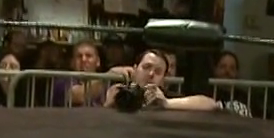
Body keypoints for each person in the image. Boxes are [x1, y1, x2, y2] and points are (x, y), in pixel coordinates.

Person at [104, 50, 247, 114]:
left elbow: (209, 103)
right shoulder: (120, 92)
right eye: (146, 67)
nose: (151, 74)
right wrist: (109, 104)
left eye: (158, 71)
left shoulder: (165, 97)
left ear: (163, 79)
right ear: (135, 69)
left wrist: (167, 103)